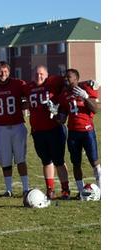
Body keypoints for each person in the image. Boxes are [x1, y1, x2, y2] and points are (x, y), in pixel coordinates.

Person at [25, 65, 70, 199]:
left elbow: (70, 80)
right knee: (46, 161)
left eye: (41, 74)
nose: (39, 76)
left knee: (59, 161)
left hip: (54, 129)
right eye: (36, 74)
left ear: (47, 74)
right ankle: (50, 189)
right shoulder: (28, 87)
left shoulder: (53, 83)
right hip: (38, 131)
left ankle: (65, 190)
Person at [0, 61, 29, 197]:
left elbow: (30, 94)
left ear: (9, 72)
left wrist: (25, 105)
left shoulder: (18, 84)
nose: (3, 74)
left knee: (21, 158)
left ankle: (26, 188)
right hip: (1, 128)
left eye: (5, 71)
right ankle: (8, 189)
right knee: (5, 160)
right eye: (0, 71)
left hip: (18, 126)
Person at [58, 69, 101, 199]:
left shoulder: (86, 88)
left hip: (87, 131)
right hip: (73, 133)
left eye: (69, 77)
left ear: (76, 78)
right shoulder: (64, 94)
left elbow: (95, 109)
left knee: (95, 162)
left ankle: (102, 189)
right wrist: (54, 112)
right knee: (76, 163)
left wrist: (86, 96)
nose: (66, 79)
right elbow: (62, 119)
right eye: (65, 77)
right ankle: (81, 191)